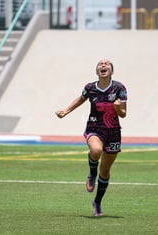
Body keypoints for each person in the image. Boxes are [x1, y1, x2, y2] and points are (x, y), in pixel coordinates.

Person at [55, 59, 127, 217]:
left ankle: (97, 202)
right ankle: (91, 172)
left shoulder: (119, 88)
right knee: (96, 150)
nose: (103, 65)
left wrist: (117, 108)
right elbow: (81, 99)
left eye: (106, 64)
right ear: (97, 71)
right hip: (95, 127)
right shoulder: (90, 88)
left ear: (111, 71)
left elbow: (123, 113)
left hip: (113, 131)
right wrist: (65, 111)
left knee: (106, 170)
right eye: (100, 64)